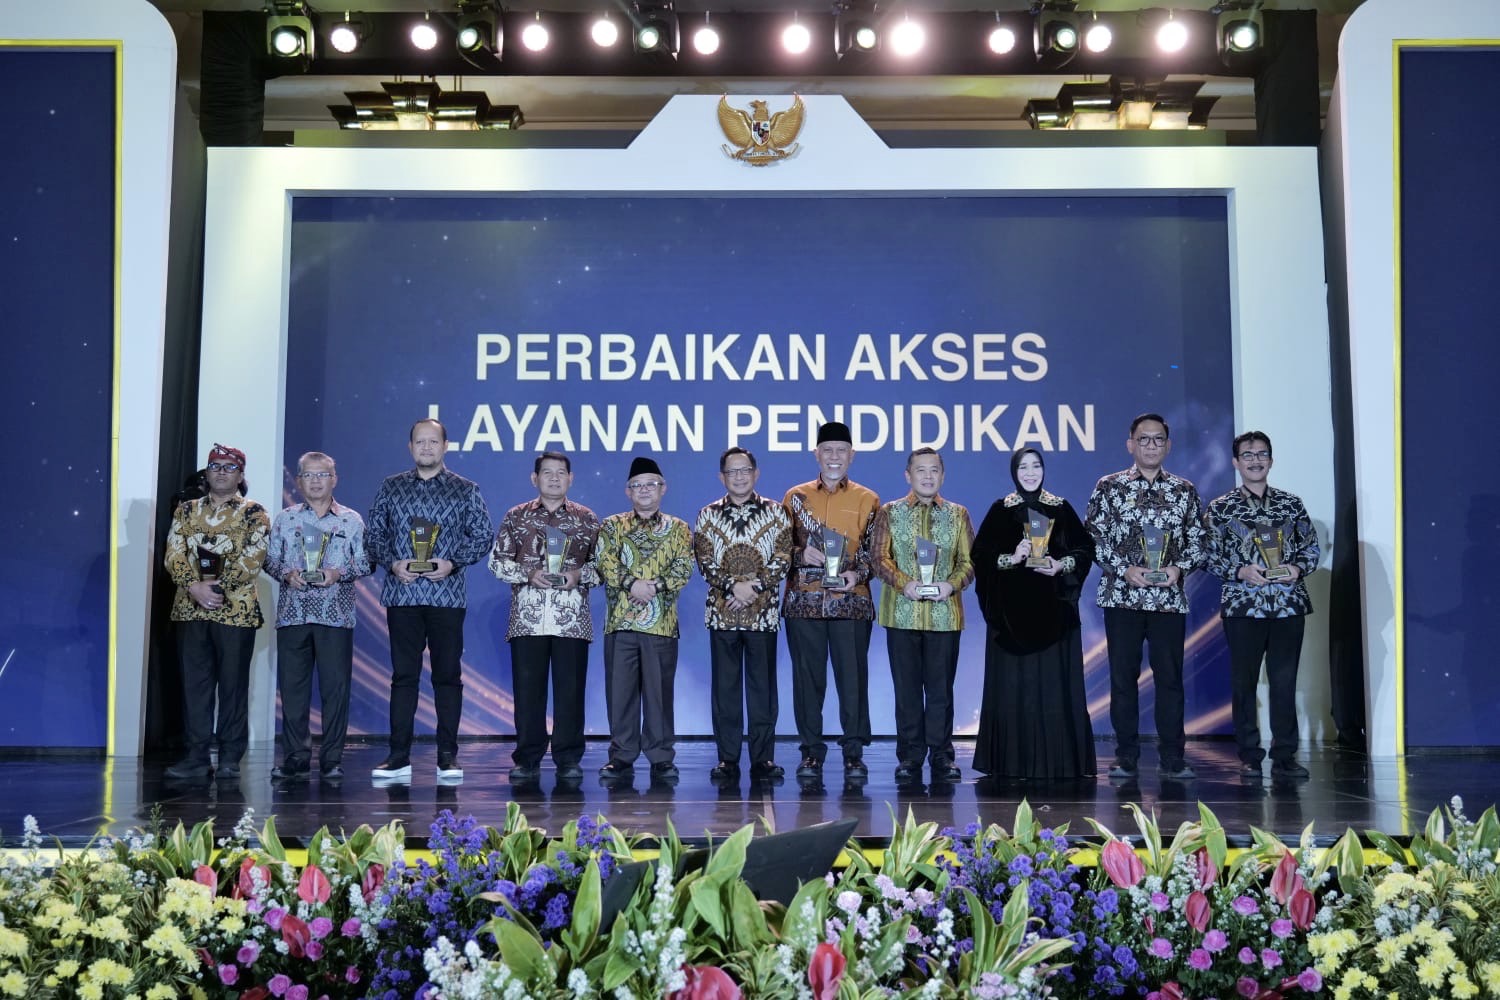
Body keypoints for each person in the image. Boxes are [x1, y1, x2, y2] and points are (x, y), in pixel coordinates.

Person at [365, 418, 493, 782]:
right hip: (402, 594)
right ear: (410, 447)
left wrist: (453, 562)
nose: (426, 447)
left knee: (447, 677)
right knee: (403, 677)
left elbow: (483, 535)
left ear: (445, 446)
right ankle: (398, 756)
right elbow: (374, 535)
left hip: (446, 596)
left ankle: (447, 756)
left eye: (433, 441)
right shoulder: (391, 487)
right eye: (419, 442)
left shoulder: (465, 489)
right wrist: (393, 563)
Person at [1085, 413, 1206, 781]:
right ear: (1130, 444)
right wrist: (1124, 569)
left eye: (1158, 439)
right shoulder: (1109, 487)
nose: (1151, 445)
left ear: (1168, 445)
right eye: (1144, 439)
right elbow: (1092, 537)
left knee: (1170, 680)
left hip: (1168, 600)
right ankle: (1126, 756)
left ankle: (1173, 757)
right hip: (1123, 598)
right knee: (1123, 681)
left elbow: (1199, 540)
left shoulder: (1184, 490)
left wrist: (1179, 569)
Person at [971, 448, 1096, 780]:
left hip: (1055, 615)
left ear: (1044, 469)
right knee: (1015, 688)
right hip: (1011, 619)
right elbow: (980, 557)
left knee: (1053, 687)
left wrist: (1060, 564)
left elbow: (1085, 549)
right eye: (1023, 467)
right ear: (1014, 472)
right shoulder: (1001, 510)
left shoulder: (1060, 508)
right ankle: (1012, 764)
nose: (1030, 472)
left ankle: (1059, 762)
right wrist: (1011, 558)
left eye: (1036, 466)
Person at [1205, 431, 1320, 780]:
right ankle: (1249, 755)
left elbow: (1311, 547)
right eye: (1248, 455)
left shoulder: (1291, 504)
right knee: (1244, 684)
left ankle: (1285, 755)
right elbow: (1207, 555)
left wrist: (1297, 568)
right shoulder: (1221, 508)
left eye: (1262, 454)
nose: (1255, 461)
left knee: (1284, 683)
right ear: (1236, 462)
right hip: (1244, 607)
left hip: (1288, 606)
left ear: (1271, 460)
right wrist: (1240, 571)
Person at [488, 451, 601, 784]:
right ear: (534, 478)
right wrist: (528, 573)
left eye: (561, 472)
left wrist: (577, 576)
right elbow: (496, 562)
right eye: (547, 472)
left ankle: (568, 759)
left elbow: (603, 567)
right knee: (528, 694)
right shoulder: (516, 516)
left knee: (570, 693)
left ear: (571, 478)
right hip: (528, 618)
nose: (554, 478)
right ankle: (527, 758)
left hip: (571, 620)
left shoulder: (586, 518)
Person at [162, 443, 270, 780]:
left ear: (240, 475)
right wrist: (194, 586)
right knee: (195, 687)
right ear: (206, 474)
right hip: (190, 609)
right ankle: (196, 757)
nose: (221, 472)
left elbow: (254, 557)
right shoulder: (186, 510)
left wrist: (217, 587)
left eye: (229, 467)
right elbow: (173, 553)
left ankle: (229, 758)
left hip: (235, 610)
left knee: (233, 688)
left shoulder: (254, 513)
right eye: (215, 466)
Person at [781, 421, 881, 782]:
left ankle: (854, 754)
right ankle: (811, 753)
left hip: (851, 603)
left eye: (841, 450)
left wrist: (859, 574)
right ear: (816, 454)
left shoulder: (868, 499)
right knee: (808, 682)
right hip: (804, 603)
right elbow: (778, 549)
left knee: (852, 682)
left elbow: (876, 551)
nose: (834, 456)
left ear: (852, 455)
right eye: (827, 450)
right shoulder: (795, 497)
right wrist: (799, 554)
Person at [264, 451, 371, 782]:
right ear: (298, 481)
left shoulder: (351, 520)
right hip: (293, 615)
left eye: (322, 475)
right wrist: (286, 574)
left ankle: (332, 759)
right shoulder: (285, 519)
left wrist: (338, 573)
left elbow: (366, 562)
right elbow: (270, 560)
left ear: (334, 479)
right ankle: (295, 758)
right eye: (308, 475)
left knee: (335, 691)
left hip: (335, 616)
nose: (315, 481)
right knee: (292, 692)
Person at [870, 447, 975, 783]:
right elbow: (878, 558)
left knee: (941, 692)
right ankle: (910, 756)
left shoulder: (958, 514)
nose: (928, 476)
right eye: (920, 470)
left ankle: (942, 756)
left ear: (943, 476)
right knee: (908, 692)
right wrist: (906, 584)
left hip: (945, 617)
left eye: (934, 470)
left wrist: (950, 585)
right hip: (902, 616)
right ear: (908, 475)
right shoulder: (890, 512)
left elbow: (969, 562)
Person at [693, 447, 794, 782]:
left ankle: (763, 758)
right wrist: (732, 587)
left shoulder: (777, 512)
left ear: (756, 473)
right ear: (721, 476)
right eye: (732, 471)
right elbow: (705, 561)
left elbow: (783, 558)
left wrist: (753, 588)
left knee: (762, 690)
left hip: (762, 615)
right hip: (722, 615)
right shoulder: (707, 515)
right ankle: (727, 759)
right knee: (726, 691)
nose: (739, 476)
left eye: (745, 470)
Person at [595, 456, 694, 782]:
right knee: (620, 694)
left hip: (661, 624)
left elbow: (683, 568)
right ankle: (621, 756)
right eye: (637, 485)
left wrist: (652, 587)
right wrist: (631, 584)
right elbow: (605, 563)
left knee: (659, 696)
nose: (645, 490)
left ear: (663, 488)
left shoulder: (678, 528)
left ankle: (661, 757)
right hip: (620, 623)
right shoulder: (612, 526)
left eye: (651, 484)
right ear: (628, 491)